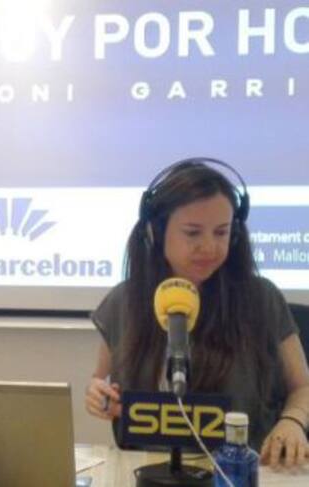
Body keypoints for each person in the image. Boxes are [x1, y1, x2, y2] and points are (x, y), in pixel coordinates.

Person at [85, 159, 309, 469]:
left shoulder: (260, 299)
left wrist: (292, 422)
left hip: (239, 472)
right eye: (192, 233)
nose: (209, 247)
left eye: (221, 232)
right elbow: (101, 382)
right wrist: (100, 396)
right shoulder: (124, 302)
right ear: (155, 232)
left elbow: (302, 387)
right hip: (149, 470)